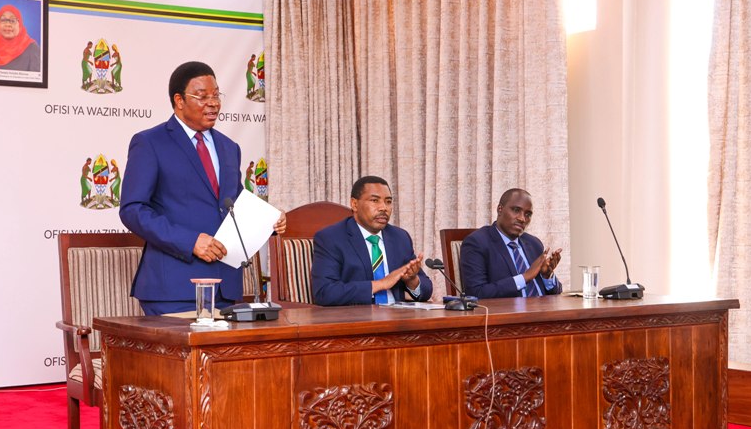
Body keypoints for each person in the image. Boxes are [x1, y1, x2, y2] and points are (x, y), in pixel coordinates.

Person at [119, 61, 286, 315]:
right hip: (174, 289)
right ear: (179, 100)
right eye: (202, 96)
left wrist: (269, 221)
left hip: (225, 289)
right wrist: (190, 242)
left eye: (216, 95)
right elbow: (132, 210)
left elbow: (233, 204)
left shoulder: (229, 148)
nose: (213, 103)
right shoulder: (150, 142)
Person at [311, 175, 433, 306]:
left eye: (388, 202)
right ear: (354, 204)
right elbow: (325, 292)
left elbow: (426, 290)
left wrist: (412, 280)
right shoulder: (331, 238)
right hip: (357, 316)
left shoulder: (400, 237)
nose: (383, 208)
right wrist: (380, 284)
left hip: (398, 316)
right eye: (375, 200)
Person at [460, 188, 563, 299]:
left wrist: (547, 276)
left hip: (544, 309)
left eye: (528, 214)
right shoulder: (477, 243)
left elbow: (556, 294)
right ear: (500, 209)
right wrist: (524, 277)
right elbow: (476, 293)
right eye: (516, 210)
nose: (522, 219)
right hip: (509, 310)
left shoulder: (534, 243)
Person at [0, 4, 40, 71]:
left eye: (12, 20)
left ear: (20, 24)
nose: (8, 24)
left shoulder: (32, 48)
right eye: (3, 20)